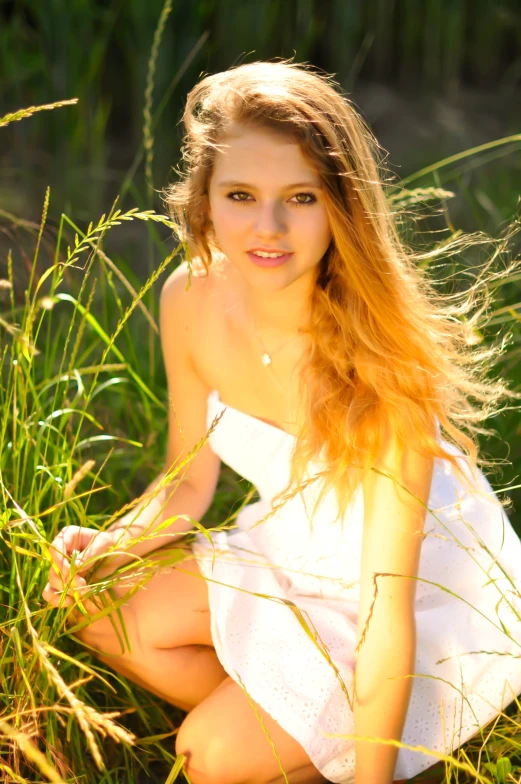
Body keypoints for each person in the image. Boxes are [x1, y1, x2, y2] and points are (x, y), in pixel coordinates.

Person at [42, 60, 521, 784]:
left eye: (299, 197)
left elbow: (384, 616)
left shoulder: (381, 374)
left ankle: (318, 752)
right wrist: (114, 542)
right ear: (204, 200)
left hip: (404, 587)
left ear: (340, 207)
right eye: (240, 195)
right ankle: (291, 735)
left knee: (204, 756)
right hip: (288, 544)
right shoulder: (190, 298)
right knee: (94, 607)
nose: (266, 228)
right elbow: (185, 485)